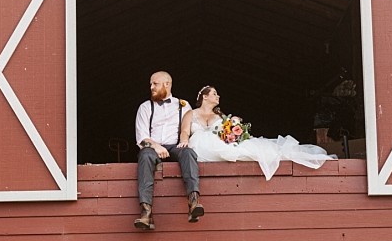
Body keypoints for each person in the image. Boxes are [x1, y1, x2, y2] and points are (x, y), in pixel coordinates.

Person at [181, 85, 337, 180]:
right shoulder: (191, 114)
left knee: (255, 150)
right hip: (200, 144)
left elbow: (229, 133)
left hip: (220, 143)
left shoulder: (220, 115)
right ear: (205, 97)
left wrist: (235, 131)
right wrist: (184, 141)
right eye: (215, 93)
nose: (218, 96)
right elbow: (185, 131)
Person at [134, 71, 204, 231]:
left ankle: (194, 202)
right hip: (152, 147)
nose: (151, 87)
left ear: (167, 84)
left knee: (189, 153)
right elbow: (142, 137)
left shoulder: (184, 105)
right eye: (151, 84)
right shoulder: (145, 107)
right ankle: (146, 212)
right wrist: (156, 146)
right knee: (144, 155)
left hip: (175, 146)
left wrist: (185, 140)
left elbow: (190, 129)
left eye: (155, 84)